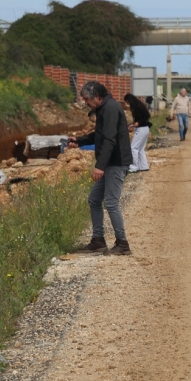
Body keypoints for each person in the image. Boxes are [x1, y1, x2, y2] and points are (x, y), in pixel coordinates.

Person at [69, 81, 134, 256]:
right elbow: (99, 136)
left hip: (116, 162)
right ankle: (98, 240)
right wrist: (79, 141)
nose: (85, 103)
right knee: (94, 200)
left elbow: (110, 140)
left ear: (97, 96)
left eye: (86, 99)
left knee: (111, 203)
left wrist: (100, 166)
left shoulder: (111, 109)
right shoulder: (103, 108)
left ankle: (122, 243)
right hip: (110, 163)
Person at [124, 93, 152, 173]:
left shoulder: (137, 106)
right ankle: (143, 166)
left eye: (127, 102)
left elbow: (146, 116)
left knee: (133, 147)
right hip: (144, 128)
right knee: (140, 148)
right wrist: (133, 124)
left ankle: (134, 166)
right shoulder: (138, 105)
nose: (127, 104)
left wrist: (138, 123)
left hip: (142, 128)